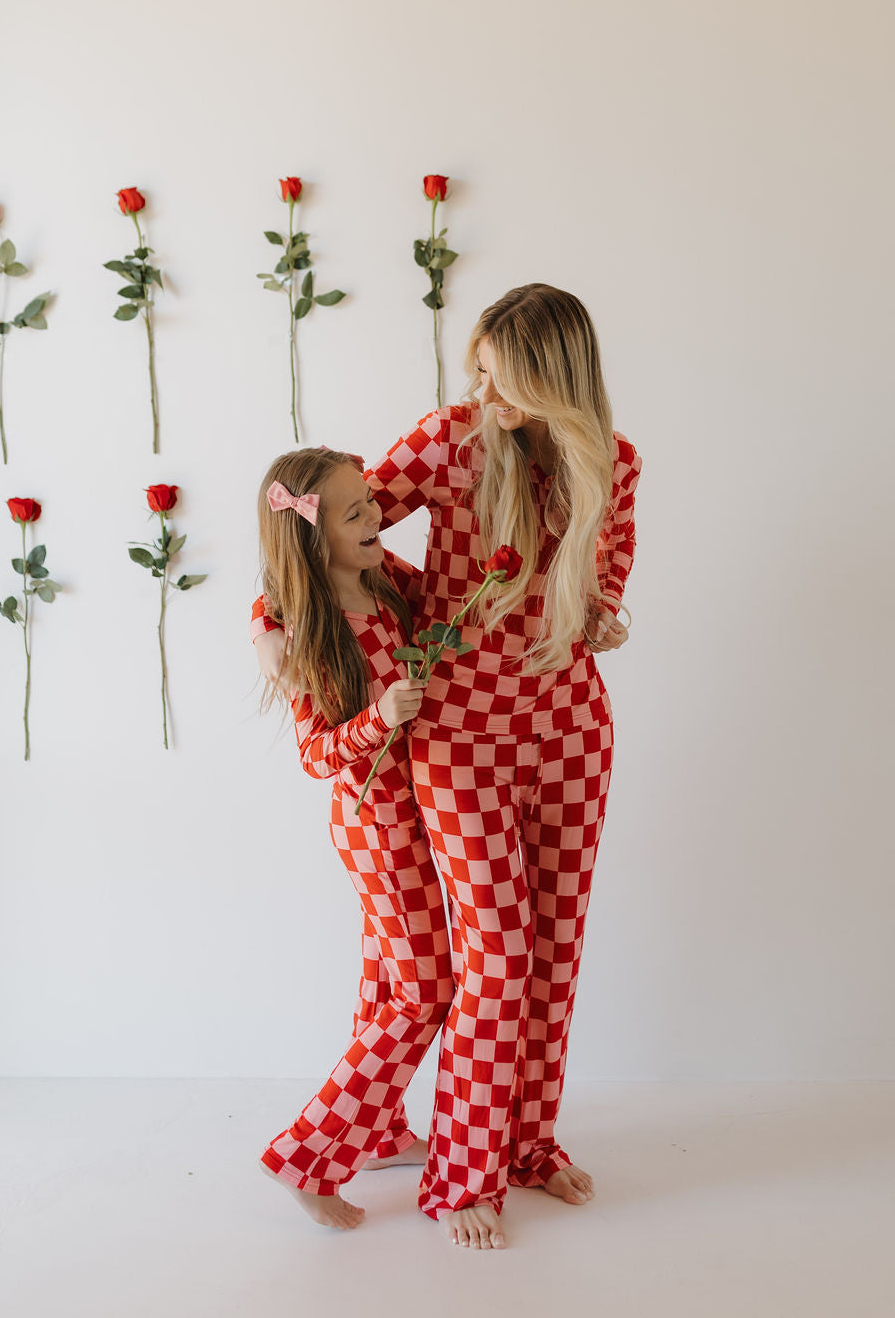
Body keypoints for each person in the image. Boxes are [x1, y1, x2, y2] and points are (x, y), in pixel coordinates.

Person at [255, 285, 641, 1249]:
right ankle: (465, 1173)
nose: (482, 395)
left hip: (571, 733)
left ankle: (527, 1144)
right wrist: (273, 621)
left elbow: (605, 584)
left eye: (501, 382)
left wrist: (598, 617)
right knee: (497, 958)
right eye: (478, 374)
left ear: (555, 385)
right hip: (457, 740)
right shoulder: (448, 444)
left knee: (553, 955)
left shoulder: (615, 468)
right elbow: (323, 528)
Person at [253, 446, 453, 1230]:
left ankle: (380, 1132)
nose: (377, 517)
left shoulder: (384, 582)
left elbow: (448, 599)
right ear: (314, 536)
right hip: (377, 826)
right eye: (355, 512)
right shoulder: (313, 630)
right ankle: (305, 1157)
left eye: (371, 501)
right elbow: (315, 756)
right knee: (424, 992)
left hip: (418, 812)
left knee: (385, 982)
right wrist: (379, 718)